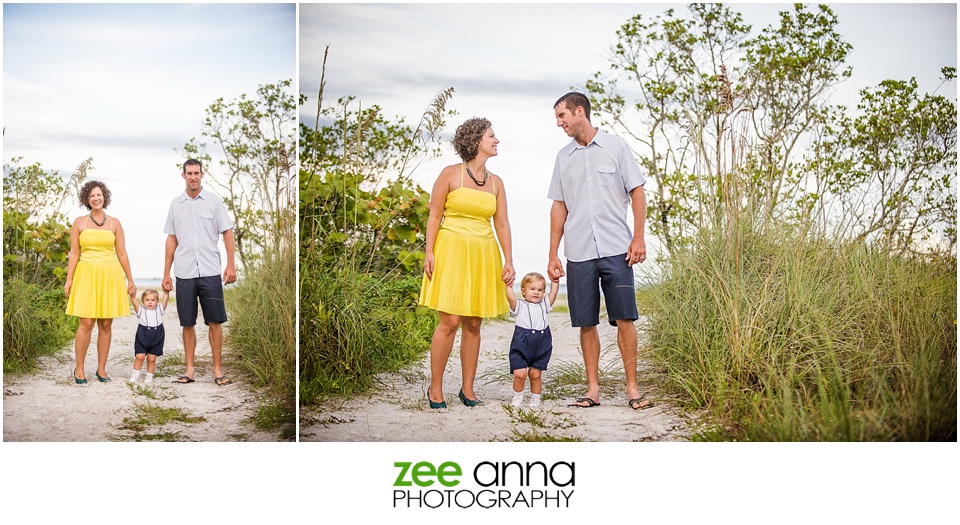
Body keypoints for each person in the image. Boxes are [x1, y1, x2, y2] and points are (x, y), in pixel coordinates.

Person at [546, 92, 653, 410]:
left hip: (617, 248)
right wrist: (553, 253)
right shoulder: (562, 158)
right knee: (586, 322)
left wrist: (638, 238)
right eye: (557, 118)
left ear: (580, 112)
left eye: (562, 116)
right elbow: (559, 207)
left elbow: (637, 193)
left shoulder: (617, 147)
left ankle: (632, 388)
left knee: (625, 318)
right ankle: (592, 390)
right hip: (578, 251)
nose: (559, 123)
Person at [418, 117, 515, 409]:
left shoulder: (496, 183)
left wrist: (509, 259)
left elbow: (502, 225)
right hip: (451, 249)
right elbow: (434, 215)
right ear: (475, 141)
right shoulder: (449, 174)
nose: (496, 140)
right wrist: (429, 252)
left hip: (484, 252)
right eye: (491, 136)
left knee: (474, 322)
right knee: (449, 321)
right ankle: (436, 388)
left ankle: (467, 389)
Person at [161, 159, 237, 386]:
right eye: (189, 173)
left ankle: (217, 370)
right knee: (187, 323)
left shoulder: (214, 202)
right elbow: (171, 239)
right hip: (184, 272)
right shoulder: (176, 204)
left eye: (196, 173)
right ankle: (190, 370)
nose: (193, 177)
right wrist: (166, 273)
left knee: (215, 321)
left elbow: (228, 232)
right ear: (183, 176)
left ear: (202, 175)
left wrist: (230, 265)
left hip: (210, 271)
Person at [65, 180, 137, 383]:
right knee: (86, 323)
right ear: (87, 200)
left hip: (110, 274)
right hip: (86, 274)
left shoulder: (115, 223)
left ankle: (101, 369)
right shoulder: (79, 222)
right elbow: (74, 253)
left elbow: (122, 253)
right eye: (92, 196)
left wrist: (130, 279)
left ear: (104, 196)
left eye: (99, 194)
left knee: (106, 323)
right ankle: (79, 369)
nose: (96, 198)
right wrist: (69, 279)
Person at [505, 272, 559, 407]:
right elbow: (510, 298)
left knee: (535, 374)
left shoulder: (544, 304)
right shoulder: (519, 305)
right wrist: (508, 285)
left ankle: (535, 398)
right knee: (520, 373)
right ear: (523, 291)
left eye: (540, 290)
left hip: (541, 343)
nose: (536, 293)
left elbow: (553, 294)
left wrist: (555, 281)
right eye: (532, 289)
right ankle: (518, 396)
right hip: (521, 343)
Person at [128, 288, 169, 384]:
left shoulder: (159, 309)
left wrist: (166, 293)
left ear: (157, 301)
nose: (150, 302)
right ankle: (135, 376)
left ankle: (149, 376)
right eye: (147, 300)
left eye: (153, 300)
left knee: (152, 358)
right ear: (143, 301)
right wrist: (132, 296)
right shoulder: (141, 310)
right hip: (143, 334)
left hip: (157, 335)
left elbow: (165, 300)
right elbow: (134, 303)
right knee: (140, 356)